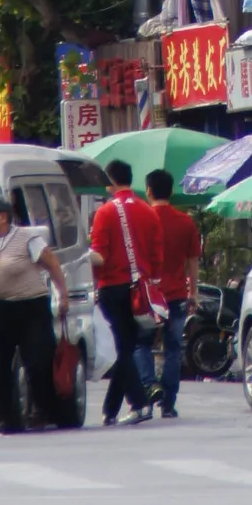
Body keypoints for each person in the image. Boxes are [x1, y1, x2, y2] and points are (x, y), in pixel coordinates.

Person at [0, 192, 71, 433]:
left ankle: (45, 411)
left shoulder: (27, 238)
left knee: (38, 364)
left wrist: (63, 294)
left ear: (3, 216)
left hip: (31, 308)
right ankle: (7, 420)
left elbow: (51, 263)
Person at [90, 162, 162, 427]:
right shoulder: (147, 210)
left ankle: (140, 403)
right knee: (126, 347)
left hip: (113, 287)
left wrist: (81, 256)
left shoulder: (106, 212)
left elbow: (99, 256)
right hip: (141, 289)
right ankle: (110, 409)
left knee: (121, 349)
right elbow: (157, 255)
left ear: (110, 182)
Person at [139, 169, 201, 419]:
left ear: (149, 191)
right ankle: (168, 403)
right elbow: (193, 261)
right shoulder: (185, 222)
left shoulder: (142, 219)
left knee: (141, 344)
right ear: (172, 191)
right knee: (173, 349)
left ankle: (150, 386)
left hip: (147, 296)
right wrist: (193, 292)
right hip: (176, 294)